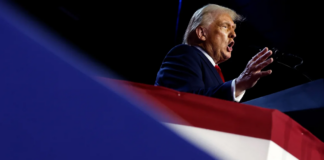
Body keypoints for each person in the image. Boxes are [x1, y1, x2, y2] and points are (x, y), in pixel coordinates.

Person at [155, 4, 273, 102]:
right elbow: (188, 101)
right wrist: (238, 85)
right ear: (202, 33)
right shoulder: (184, 54)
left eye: (234, 29)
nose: (234, 34)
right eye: (225, 26)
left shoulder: (214, 71)